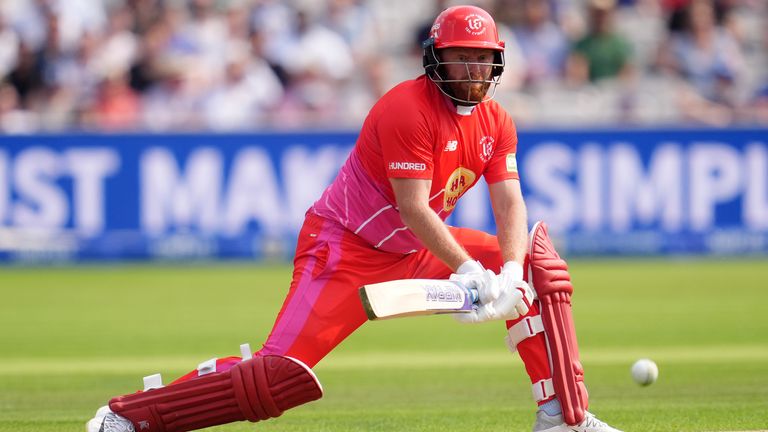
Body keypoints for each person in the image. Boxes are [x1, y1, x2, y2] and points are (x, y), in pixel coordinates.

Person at [86, 5, 622, 432]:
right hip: (344, 248)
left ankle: (562, 417)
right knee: (277, 376)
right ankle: (131, 416)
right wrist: (468, 270)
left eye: (483, 59)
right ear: (435, 59)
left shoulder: (497, 120)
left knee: (534, 267)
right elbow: (413, 206)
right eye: (461, 58)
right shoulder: (407, 109)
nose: (473, 70)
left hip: (414, 250)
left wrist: (506, 271)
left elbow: (509, 202)